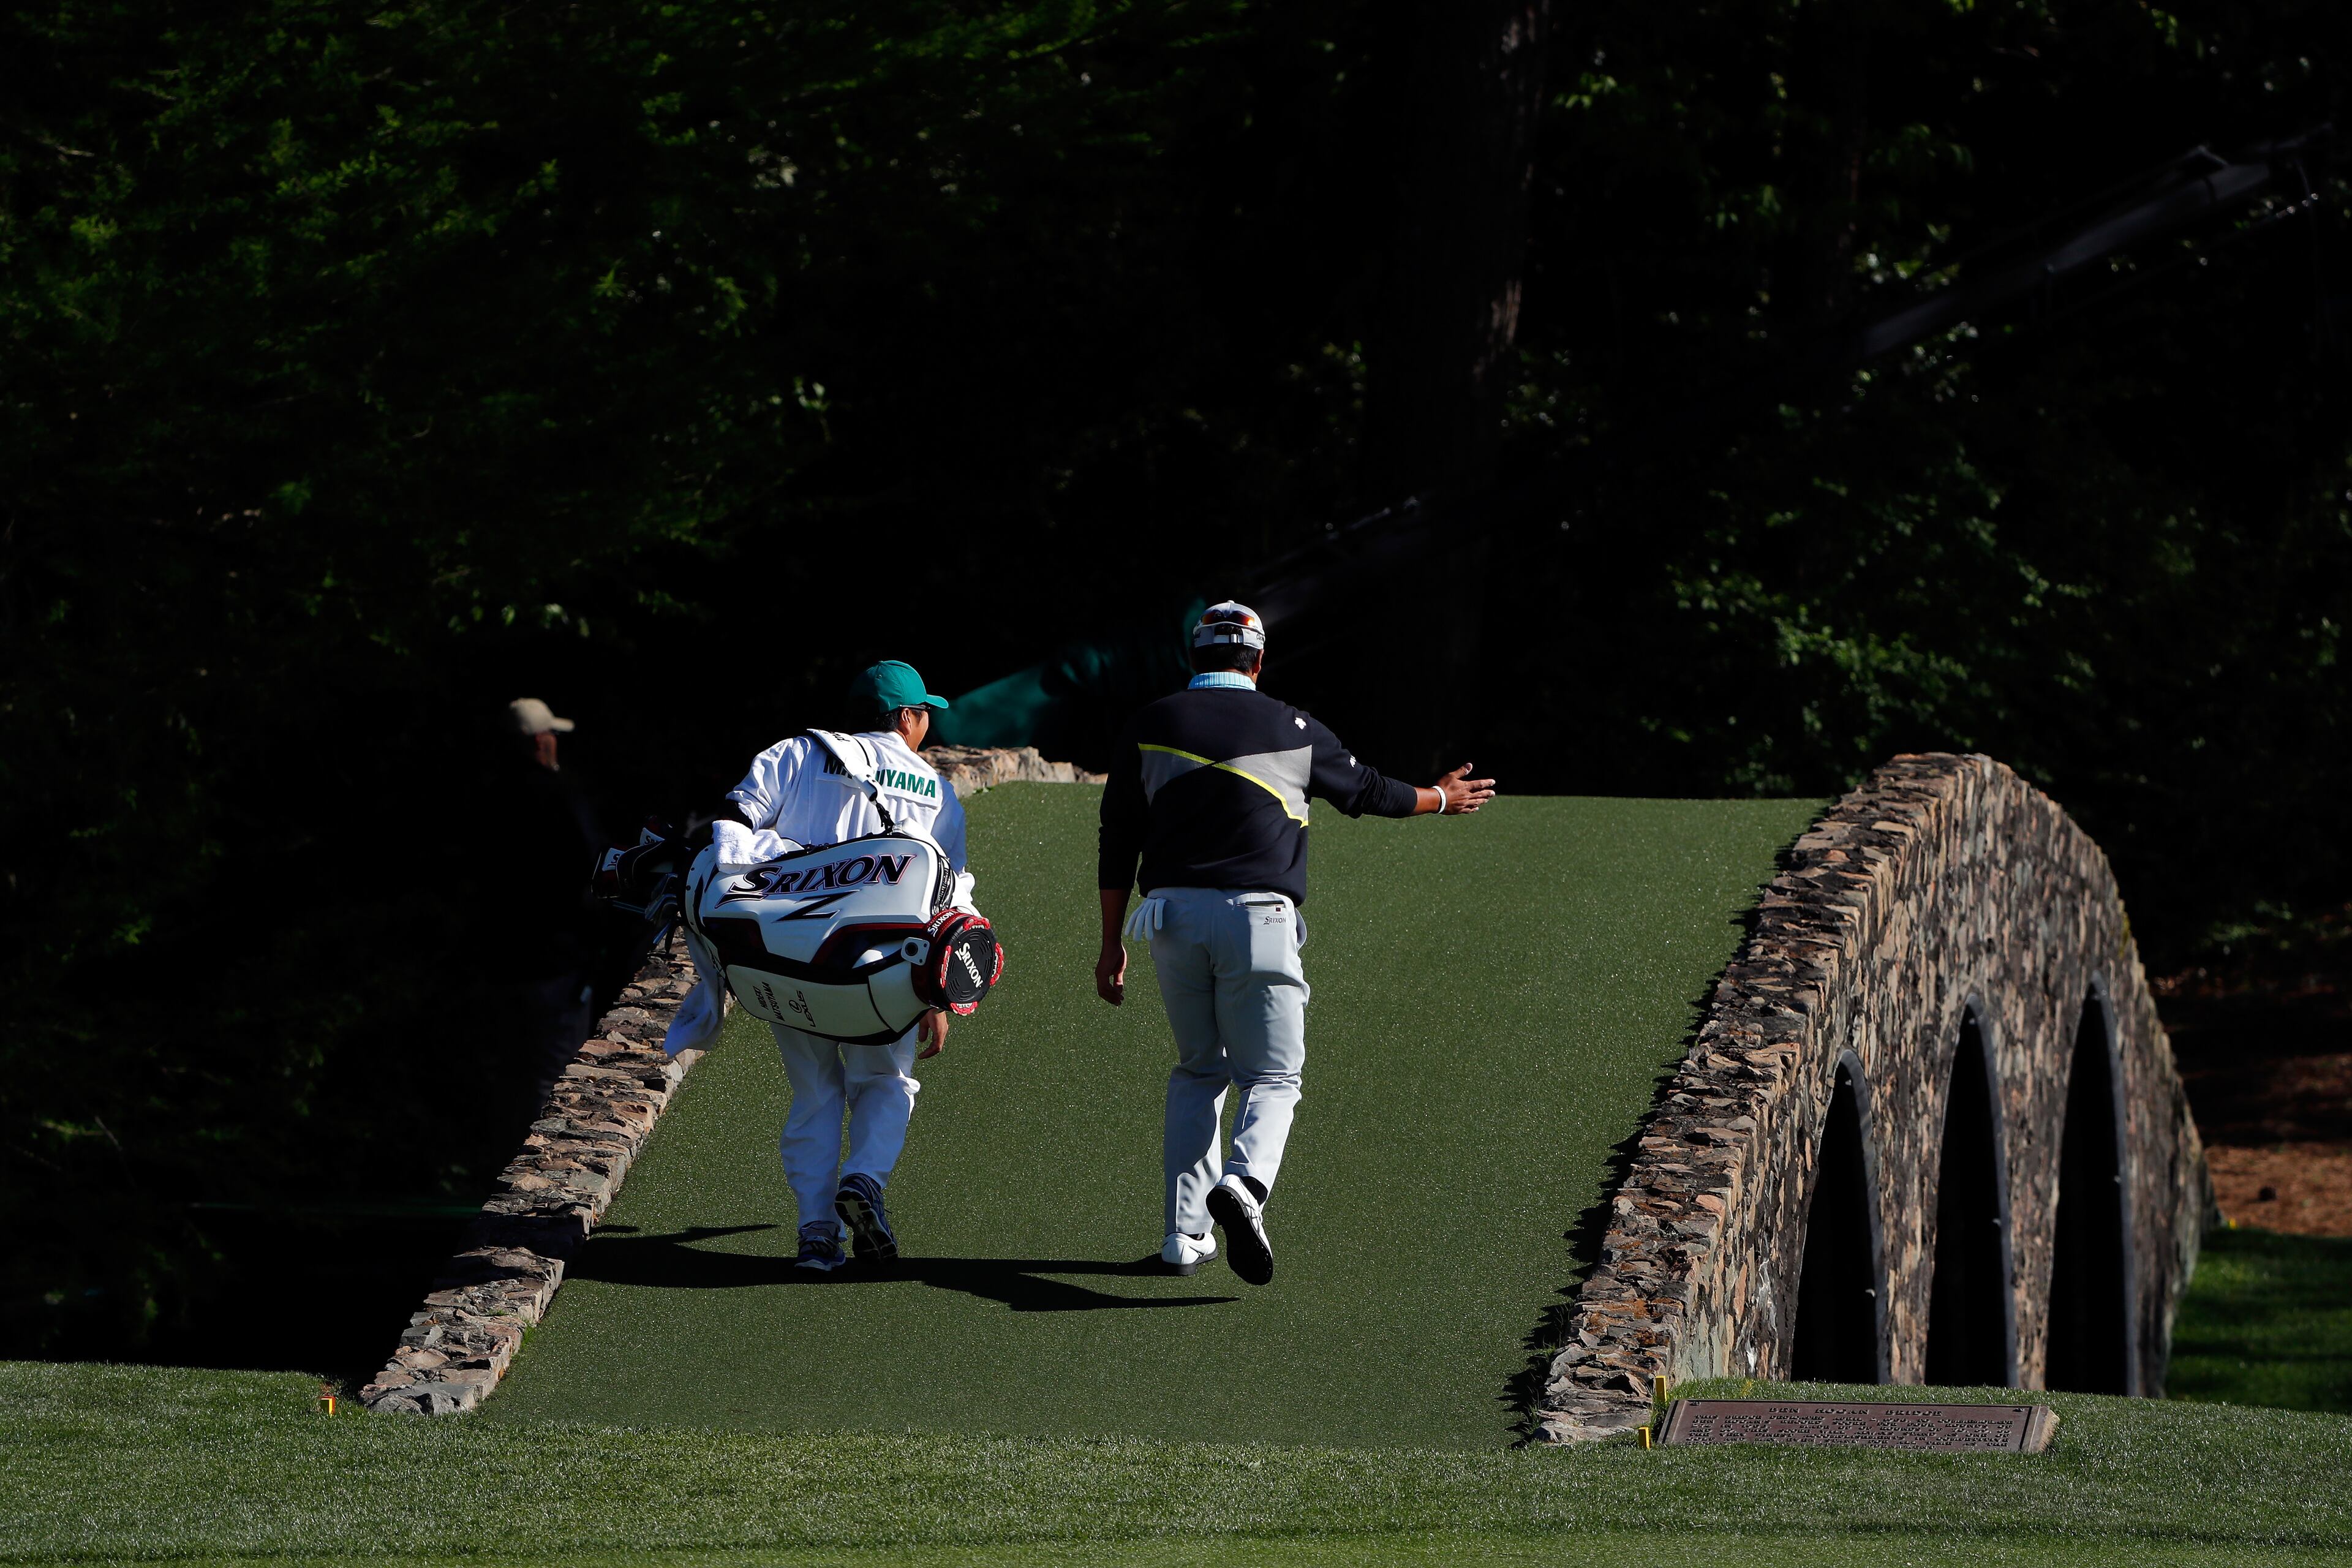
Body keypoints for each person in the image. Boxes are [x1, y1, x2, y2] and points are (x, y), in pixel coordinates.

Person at [1094, 603, 1496, 1284]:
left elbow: (1116, 837)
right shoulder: (1292, 725)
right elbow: (1365, 790)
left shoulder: (1150, 722)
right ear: (1257, 660)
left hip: (1166, 919)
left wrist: (1110, 946)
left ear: (1194, 658)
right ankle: (1245, 1186)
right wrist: (1439, 796)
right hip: (1259, 920)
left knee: (1198, 1070)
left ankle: (1182, 1236)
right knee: (1273, 1075)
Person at [672, 660, 971, 1273]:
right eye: (925, 715)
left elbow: (730, 834)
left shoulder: (796, 753)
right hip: (885, 973)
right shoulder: (935, 791)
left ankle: (816, 1234)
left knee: (814, 1092)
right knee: (885, 1083)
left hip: (792, 962)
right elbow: (951, 897)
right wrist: (942, 998)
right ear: (907, 719)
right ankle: (862, 1181)